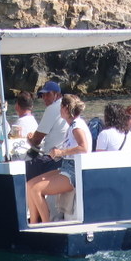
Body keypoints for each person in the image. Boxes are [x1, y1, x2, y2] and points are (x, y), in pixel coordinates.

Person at [25, 94, 91, 224]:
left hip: (72, 172)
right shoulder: (73, 125)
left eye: (61, 107)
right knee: (30, 184)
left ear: (66, 109)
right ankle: (33, 223)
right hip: (66, 167)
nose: (59, 110)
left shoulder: (76, 127)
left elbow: (84, 147)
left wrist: (61, 152)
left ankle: (44, 224)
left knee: (36, 189)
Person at [29, 81, 68, 154]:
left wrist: (30, 139)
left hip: (52, 157)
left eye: (48, 94)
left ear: (57, 94)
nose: (45, 98)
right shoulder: (65, 105)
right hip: (64, 152)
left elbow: (36, 140)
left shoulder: (52, 108)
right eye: (43, 95)